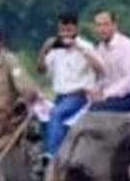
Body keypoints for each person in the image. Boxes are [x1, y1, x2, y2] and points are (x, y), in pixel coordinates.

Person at [37, 12, 97, 156]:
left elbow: (98, 68)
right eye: (62, 30)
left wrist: (79, 49)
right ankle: (44, 152)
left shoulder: (86, 46)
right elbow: (41, 69)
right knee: (41, 116)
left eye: (69, 30)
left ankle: (52, 155)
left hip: (79, 96)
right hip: (60, 96)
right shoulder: (55, 49)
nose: (65, 34)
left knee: (56, 114)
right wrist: (45, 49)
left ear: (76, 29)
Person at [88, 10, 130, 113]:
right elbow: (104, 77)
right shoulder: (101, 48)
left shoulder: (127, 46)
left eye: (106, 24)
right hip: (112, 96)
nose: (102, 29)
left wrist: (106, 94)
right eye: (98, 25)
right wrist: (97, 90)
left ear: (114, 25)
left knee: (97, 111)